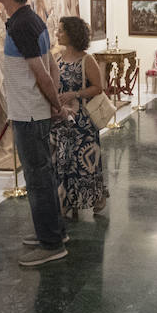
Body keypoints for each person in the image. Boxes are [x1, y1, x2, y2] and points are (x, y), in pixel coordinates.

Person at [0, 0, 70, 265]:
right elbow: (51, 64)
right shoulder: (29, 19)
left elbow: (41, 73)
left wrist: (56, 105)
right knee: (43, 176)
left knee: (37, 180)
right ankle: (54, 232)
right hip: (34, 111)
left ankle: (51, 244)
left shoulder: (23, 24)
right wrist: (52, 103)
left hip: (29, 114)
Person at [52, 16, 109, 219]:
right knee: (64, 164)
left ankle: (94, 197)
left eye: (60, 30)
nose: (57, 34)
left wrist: (75, 94)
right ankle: (66, 202)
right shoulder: (57, 58)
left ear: (71, 34)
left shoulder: (87, 59)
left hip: (82, 123)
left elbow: (98, 88)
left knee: (84, 165)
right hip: (61, 120)